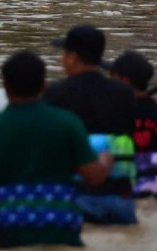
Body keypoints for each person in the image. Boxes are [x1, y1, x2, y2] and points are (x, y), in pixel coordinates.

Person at [0, 50, 111, 250]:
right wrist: (106, 159)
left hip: (10, 231)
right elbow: (93, 176)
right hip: (63, 230)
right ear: (44, 86)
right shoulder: (68, 123)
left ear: (5, 86)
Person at [44, 25, 138, 224]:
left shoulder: (55, 94)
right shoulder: (124, 94)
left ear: (73, 57)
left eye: (64, 54)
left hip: (75, 200)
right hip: (120, 200)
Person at [106, 50, 157, 196]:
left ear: (125, 81)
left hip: (123, 185)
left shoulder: (113, 114)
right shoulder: (153, 111)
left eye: (112, 77)